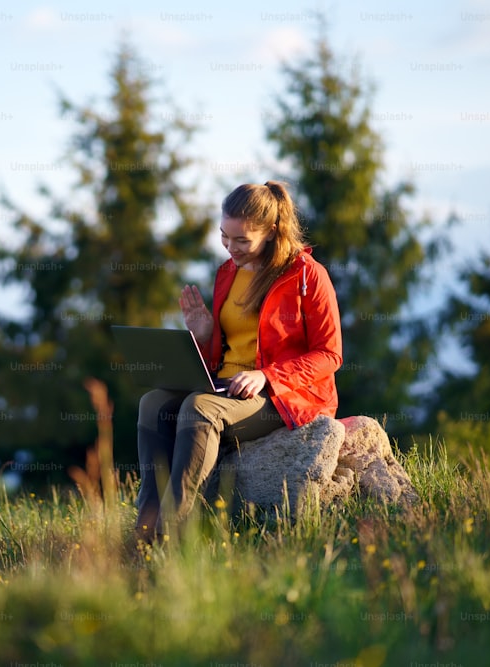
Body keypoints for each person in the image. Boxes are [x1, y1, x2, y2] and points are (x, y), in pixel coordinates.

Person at [135, 181, 343, 542]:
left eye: (242, 241)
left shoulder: (308, 276)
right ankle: (145, 527)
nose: (231, 248)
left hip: (283, 396)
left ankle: (173, 533)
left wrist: (266, 376)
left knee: (200, 409)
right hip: (226, 386)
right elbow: (223, 354)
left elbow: (330, 354)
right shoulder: (228, 274)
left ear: (272, 231)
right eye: (224, 237)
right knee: (153, 403)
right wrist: (202, 335)